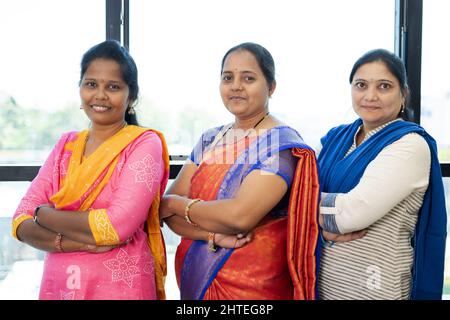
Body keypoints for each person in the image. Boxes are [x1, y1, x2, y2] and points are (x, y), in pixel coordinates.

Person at [159, 42, 320, 300]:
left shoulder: (278, 144)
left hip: (253, 286)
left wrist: (178, 204)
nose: (236, 86)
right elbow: (165, 214)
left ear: (271, 87)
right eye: (228, 77)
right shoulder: (210, 139)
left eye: (248, 78)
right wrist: (212, 235)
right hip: (196, 278)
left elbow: (240, 217)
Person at [11, 40, 169, 300]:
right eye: (91, 84)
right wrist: (77, 242)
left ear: (132, 96)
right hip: (59, 286)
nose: (100, 95)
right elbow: (19, 221)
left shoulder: (143, 143)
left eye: (113, 87)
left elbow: (116, 227)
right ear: (81, 89)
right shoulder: (66, 145)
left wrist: (44, 215)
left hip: (119, 288)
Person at [317, 49, 447, 300]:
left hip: (376, 288)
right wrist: (315, 213)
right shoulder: (335, 138)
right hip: (325, 284)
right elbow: (297, 187)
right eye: (361, 85)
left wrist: (299, 206)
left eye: (384, 86)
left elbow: (352, 213)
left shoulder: (410, 145)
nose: (370, 96)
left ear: (404, 94)